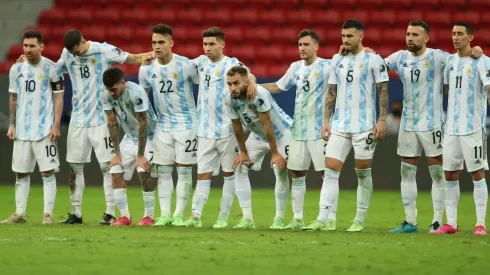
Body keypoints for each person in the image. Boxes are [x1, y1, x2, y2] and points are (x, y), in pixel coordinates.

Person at [385, 21, 483, 233]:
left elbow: (463, 58)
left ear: (426, 38)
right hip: (408, 124)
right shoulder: (399, 57)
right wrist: (365, 52)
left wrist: (477, 50)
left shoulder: (439, 57)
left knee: (438, 173)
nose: (410, 38)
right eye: (408, 33)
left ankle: (438, 220)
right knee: (406, 172)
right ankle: (410, 222)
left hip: (433, 124)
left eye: (415, 35)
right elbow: (376, 66)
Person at [57, 29, 152, 225]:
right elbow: (55, 70)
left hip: (101, 118)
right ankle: (76, 213)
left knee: (107, 167)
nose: (75, 55)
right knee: (75, 167)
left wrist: (153, 55)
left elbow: (132, 58)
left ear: (83, 42)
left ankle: (110, 213)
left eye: (77, 51)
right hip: (77, 119)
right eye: (72, 53)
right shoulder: (67, 54)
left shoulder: (103, 50)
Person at [303, 19, 389, 232]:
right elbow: (331, 92)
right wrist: (326, 121)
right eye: (343, 36)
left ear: (361, 36)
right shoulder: (337, 60)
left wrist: (382, 119)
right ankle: (322, 218)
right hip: (339, 125)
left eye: (350, 36)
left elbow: (383, 90)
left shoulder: (373, 59)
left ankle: (359, 219)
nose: (345, 40)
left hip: (364, 126)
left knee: (362, 173)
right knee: (330, 171)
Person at [184, 27, 256, 228]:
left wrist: (251, 85)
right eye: (205, 44)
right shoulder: (199, 63)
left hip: (227, 129)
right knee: (202, 174)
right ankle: (196, 216)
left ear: (222, 44)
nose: (207, 48)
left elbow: (250, 78)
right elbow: (177, 66)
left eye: (212, 44)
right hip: (205, 130)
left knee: (230, 173)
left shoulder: (233, 64)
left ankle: (223, 217)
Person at [262, 29, 333, 230]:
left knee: (326, 174)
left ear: (316, 46)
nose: (302, 48)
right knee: (297, 174)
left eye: (306, 44)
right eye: (300, 45)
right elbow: (278, 87)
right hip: (299, 130)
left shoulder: (328, 66)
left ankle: (325, 218)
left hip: (320, 131)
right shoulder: (295, 68)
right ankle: (298, 218)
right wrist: (255, 86)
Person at [432, 22, 489, 236]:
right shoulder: (450, 62)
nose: (455, 37)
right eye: (453, 34)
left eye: (460, 34)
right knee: (450, 174)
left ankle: (480, 224)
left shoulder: (482, 62)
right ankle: (451, 223)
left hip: (473, 128)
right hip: (451, 129)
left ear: (471, 37)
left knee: (477, 173)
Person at [139, 24, 198, 227]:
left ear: (171, 43)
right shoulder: (146, 68)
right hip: (163, 126)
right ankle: (164, 215)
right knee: (163, 171)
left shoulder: (186, 65)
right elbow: (143, 98)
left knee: (183, 171)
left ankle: (179, 215)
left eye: (161, 42)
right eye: (154, 42)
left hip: (187, 124)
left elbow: (206, 86)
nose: (156, 46)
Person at [1, 30, 63, 224]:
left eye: (32, 46)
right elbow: (13, 97)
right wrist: (12, 124)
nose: (28, 49)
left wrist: (56, 125)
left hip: (44, 130)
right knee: (21, 172)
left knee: (47, 172)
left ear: (41, 46)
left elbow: (58, 96)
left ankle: (47, 215)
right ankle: (20, 213)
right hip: (22, 131)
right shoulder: (16, 69)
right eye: (25, 46)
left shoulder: (52, 69)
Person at [226, 66, 293, 229]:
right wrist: (242, 152)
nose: (233, 88)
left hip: (282, 134)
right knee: (240, 167)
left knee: (280, 169)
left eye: (236, 83)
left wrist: (275, 153)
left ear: (246, 82)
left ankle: (279, 218)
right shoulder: (229, 99)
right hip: (258, 135)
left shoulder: (258, 95)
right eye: (229, 84)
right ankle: (247, 219)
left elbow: (268, 124)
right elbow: (236, 126)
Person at [101, 67, 157, 226]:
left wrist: (140, 155)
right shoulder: (106, 95)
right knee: (115, 169)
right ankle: (125, 216)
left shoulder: (136, 93)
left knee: (143, 170)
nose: (112, 93)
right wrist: (117, 154)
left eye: (114, 89)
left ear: (122, 83)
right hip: (129, 138)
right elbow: (112, 123)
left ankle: (149, 217)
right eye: (108, 89)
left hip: (150, 136)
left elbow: (143, 123)